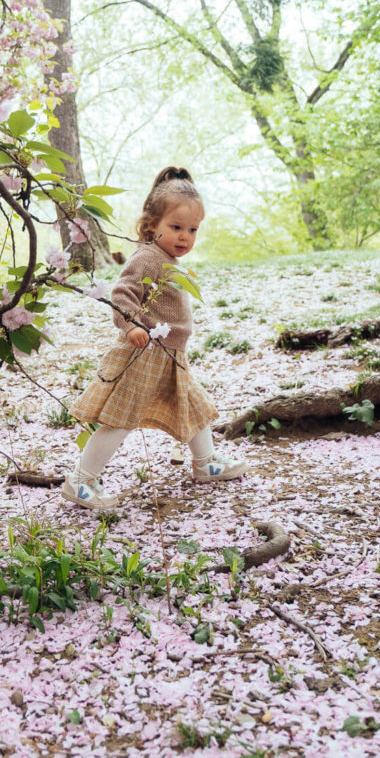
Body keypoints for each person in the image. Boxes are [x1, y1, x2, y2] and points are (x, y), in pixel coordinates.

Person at [62, 166, 249, 511]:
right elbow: (121, 295)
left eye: (192, 229)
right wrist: (132, 326)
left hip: (170, 355)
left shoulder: (167, 258)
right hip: (145, 353)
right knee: (120, 419)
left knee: (194, 407)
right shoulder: (148, 257)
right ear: (152, 225)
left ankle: (205, 463)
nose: (184, 237)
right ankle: (80, 481)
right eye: (175, 227)